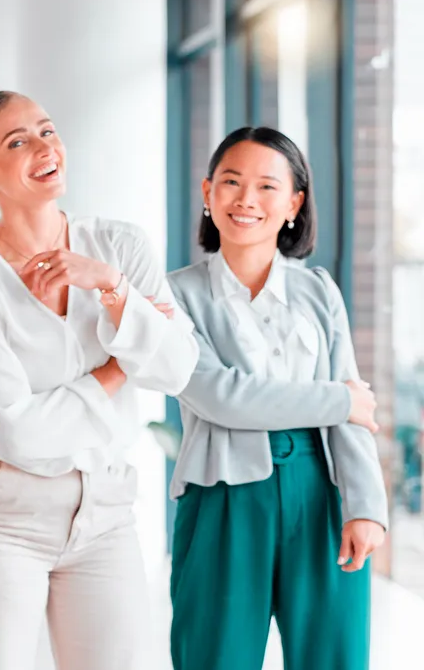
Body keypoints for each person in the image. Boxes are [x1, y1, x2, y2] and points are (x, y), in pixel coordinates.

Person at [0, 91, 199, 669]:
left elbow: (176, 368)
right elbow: (18, 434)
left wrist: (112, 288)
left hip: (107, 514)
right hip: (3, 522)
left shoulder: (119, 247)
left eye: (47, 130)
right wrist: (118, 366)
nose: (44, 147)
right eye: (18, 141)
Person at [167, 126, 386, 670]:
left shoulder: (319, 290)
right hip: (222, 496)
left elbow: (352, 398)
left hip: (323, 495)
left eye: (267, 186)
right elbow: (221, 397)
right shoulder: (174, 294)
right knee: (214, 657)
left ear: (294, 202)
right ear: (207, 193)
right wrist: (337, 400)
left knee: (334, 657)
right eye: (231, 182)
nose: (246, 199)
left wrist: (366, 507)